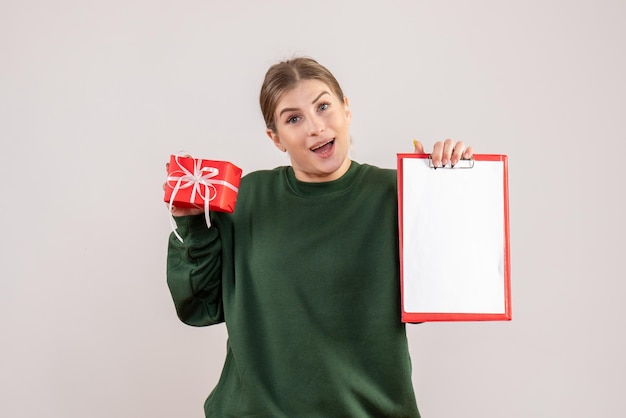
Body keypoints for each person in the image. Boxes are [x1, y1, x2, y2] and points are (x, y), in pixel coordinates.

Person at [165, 56, 474, 417]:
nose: (315, 127)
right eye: (293, 118)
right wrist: (191, 224)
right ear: (275, 138)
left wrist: (443, 195)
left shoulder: (398, 193)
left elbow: (441, 295)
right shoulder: (246, 197)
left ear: (346, 110)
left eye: (323, 106)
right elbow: (200, 307)